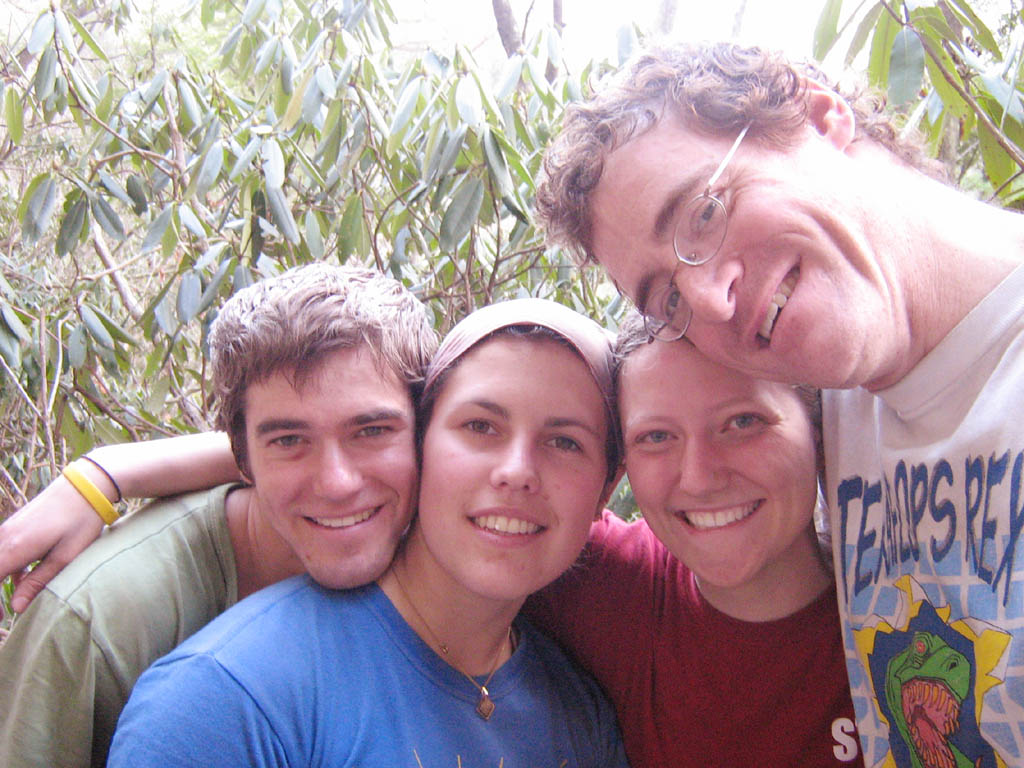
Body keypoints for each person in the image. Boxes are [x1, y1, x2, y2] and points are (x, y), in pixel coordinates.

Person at [535, 41, 1024, 768]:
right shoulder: (846, 391)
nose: (709, 300)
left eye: (705, 210)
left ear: (820, 116)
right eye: (667, 297)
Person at [107, 299, 629, 767]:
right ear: (419, 445)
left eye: (564, 442)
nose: (517, 471)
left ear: (606, 491)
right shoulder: (228, 702)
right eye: (480, 427)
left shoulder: (580, 713)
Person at [0, 263, 436, 768]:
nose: (337, 483)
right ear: (243, 455)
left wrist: (113, 471)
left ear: (423, 434)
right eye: (289, 441)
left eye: (372, 431)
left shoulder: (455, 548)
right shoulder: (96, 625)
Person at [525, 310, 862, 767]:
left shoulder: (918, 610)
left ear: (818, 434)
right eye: (657, 436)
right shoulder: (608, 586)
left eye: (743, 422)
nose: (700, 479)